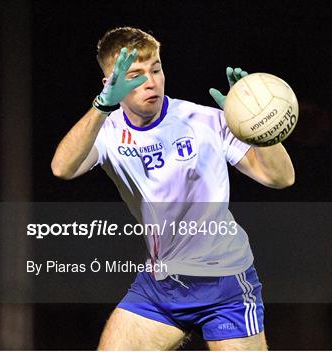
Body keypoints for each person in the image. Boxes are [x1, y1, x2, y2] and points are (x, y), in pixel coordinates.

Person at [51, 26, 294, 350]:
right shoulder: (107, 133)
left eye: (156, 69)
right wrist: (101, 106)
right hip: (161, 285)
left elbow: (280, 178)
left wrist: (259, 131)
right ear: (111, 83)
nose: (151, 81)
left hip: (224, 283)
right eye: (135, 75)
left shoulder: (203, 120)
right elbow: (62, 168)